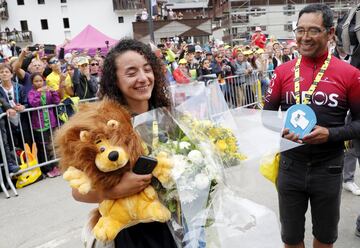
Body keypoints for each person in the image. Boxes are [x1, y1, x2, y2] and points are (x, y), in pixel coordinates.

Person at [264, 4, 360, 248]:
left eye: (314, 30)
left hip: (328, 168)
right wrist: (282, 128)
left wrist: (331, 134)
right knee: (291, 238)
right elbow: (265, 118)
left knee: (325, 239)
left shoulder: (349, 74)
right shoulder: (282, 71)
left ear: (330, 34)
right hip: (290, 166)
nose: (304, 37)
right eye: (300, 30)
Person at [73, 38, 176, 248]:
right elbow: (77, 191)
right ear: (115, 80)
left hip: (177, 223)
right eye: (131, 73)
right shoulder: (102, 124)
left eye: (147, 69)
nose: (143, 78)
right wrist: (113, 191)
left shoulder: (167, 115)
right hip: (135, 233)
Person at [28, 72, 61, 177]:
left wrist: (53, 92)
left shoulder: (47, 91)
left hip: (51, 122)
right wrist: (38, 92)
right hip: (39, 124)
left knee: (52, 145)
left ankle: (56, 167)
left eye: (40, 81)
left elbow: (56, 101)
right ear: (32, 83)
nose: (39, 83)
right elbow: (33, 103)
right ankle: (48, 169)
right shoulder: (32, 93)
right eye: (36, 81)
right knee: (44, 147)